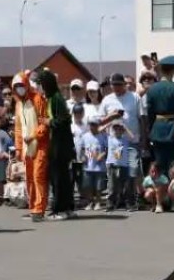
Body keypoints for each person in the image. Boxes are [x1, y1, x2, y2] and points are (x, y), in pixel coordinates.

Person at [36, 69, 77, 220]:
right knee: (64, 177)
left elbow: (65, 120)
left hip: (60, 144)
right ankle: (68, 208)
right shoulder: (53, 98)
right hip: (61, 143)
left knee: (57, 177)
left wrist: (48, 122)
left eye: (40, 84)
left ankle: (59, 209)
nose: (39, 87)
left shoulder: (56, 98)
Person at [12, 71, 50, 221]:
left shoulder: (38, 99)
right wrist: (18, 148)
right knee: (29, 178)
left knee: (38, 176)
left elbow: (44, 122)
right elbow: (18, 128)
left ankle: (40, 209)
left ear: (26, 84)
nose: (19, 88)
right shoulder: (18, 104)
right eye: (16, 87)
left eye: (21, 85)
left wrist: (34, 136)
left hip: (40, 145)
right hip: (27, 147)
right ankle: (33, 207)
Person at [146, 55, 174, 174]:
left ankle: (160, 191)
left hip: (157, 130)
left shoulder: (152, 89)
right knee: (173, 164)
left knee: (159, 164)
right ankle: (172, 190)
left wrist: (152, 129)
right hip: (173, 129)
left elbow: (150, 114)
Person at [80, 115, 107, 211]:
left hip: (99, 166)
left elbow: (106, 149)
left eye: (94, 125)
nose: (92, 126)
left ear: (98, 125)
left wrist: (102, 155)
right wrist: (83, 156)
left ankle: (98, 202)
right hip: (88, 166)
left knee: (98, 187)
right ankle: (90, 202)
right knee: (88, 186)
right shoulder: (85, 136)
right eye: (91, 124)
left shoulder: (103, 136)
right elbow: (82, 148)